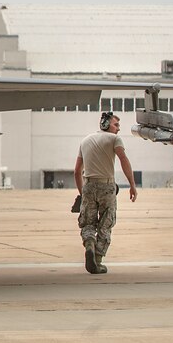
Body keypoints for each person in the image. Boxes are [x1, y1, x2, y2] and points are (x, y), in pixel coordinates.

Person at [74, 111, 138, 275]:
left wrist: (83, 193)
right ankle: (98, 260)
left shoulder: (85, 140)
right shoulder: (115, 139)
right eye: (116, 125)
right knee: (106, 223)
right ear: (105, 124)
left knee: (88, 222)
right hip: (107, 186)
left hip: (88, 185)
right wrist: (132, 184)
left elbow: (76, 171)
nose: (118, 129)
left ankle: (89, 243)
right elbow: (124, 160)